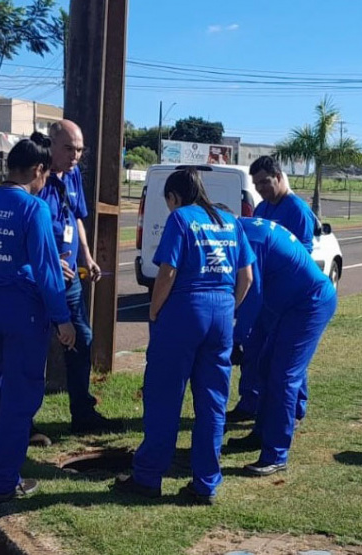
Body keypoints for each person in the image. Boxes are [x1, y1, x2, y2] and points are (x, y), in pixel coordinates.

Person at [113, 168, 254, 504]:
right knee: (213, 401)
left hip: (185, 311)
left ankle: (148, 477)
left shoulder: (181, 219)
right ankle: (206, 484)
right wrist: (228, 306)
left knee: (164, 397)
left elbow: (167, 272)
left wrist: (154, 310)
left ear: (174, 197)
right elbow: (247, 277)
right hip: (221, 314)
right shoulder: (229, 221)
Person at [0, 133, 76, 503]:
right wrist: (62, 318)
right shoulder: (33, 208)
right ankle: (6, 482)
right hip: (23, 309)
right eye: (45, 175)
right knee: (20, 395)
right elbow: (46, 269)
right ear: (38, 169)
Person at [226, 216, 337, 476]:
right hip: (288, 304)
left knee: (283, 377)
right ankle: (262, 434)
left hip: (309, 304)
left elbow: (251, 293)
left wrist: (236, 338)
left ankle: (276, 454)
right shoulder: (247, 228)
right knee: (266, 367)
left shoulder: (250, 239)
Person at [33, 119, 119, 443]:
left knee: (81, 338)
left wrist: (87, 256)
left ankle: (82, 413)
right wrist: (49, 261)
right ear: (51, 144)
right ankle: (24, 420)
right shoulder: (37, 177)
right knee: (33, 346)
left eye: (80, 150)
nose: (75, 156)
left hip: (68, 280)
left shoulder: (73, 175)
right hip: (39, 279)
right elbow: (29, 227)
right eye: (69, 148)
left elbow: (76, 217)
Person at [228, 155, 317, 425]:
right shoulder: (262, 208)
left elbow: (302, 255)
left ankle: (295, 408)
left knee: (286, 355)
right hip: (262, 296)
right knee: (253, 350)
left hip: (286, 297)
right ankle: (250, 402)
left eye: (265, 182)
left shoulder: (297, 210)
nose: (261, 188)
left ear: (279, 177)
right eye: (256, 184)